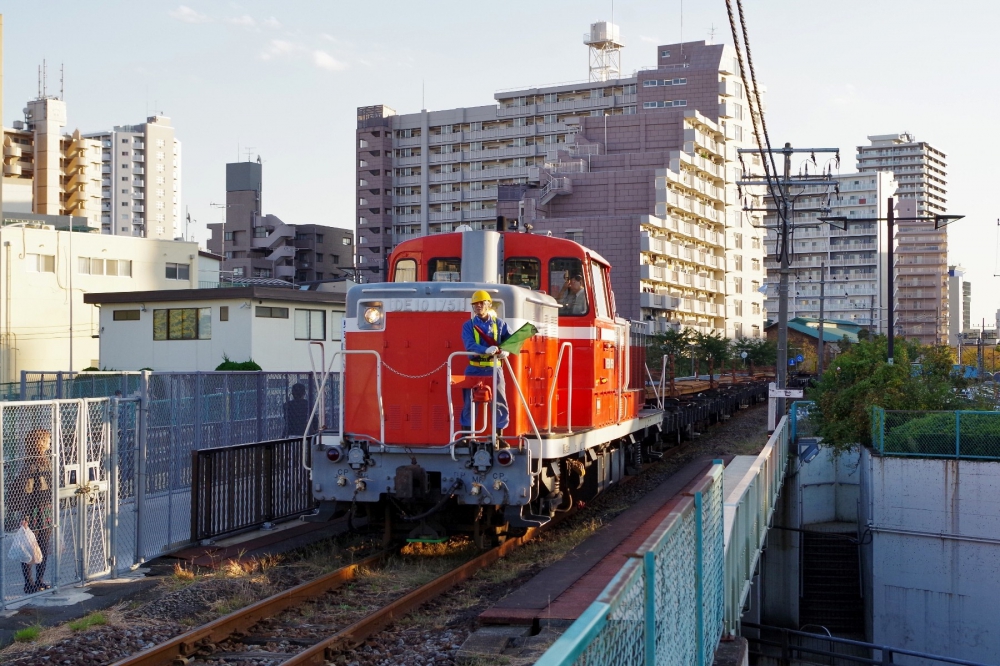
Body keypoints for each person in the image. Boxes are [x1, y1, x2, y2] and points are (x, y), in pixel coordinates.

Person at [461, 290, 511, 432]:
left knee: (499, 402)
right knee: (469, 403)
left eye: (481, 303)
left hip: (494, 369)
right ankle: (466, 437)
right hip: (474, 369)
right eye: (475, 304)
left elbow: (511, 340)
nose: (478, 306)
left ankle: (498, 436)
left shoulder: (500, 324)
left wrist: (506, 350)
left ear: (489, 304)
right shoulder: (468, 326)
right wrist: (485, 350)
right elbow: (470, 344)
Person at [12, 429, 53, 593]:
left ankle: (38, 580)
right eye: (48, 439)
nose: (50, 442)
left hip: (43, 509)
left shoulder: (46, 461)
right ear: (40, 442)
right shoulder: (32, 465)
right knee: (30, 546)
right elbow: (27, 492)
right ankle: (30, 582)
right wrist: (26, 516)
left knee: (41, 546)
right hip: (34, 511)